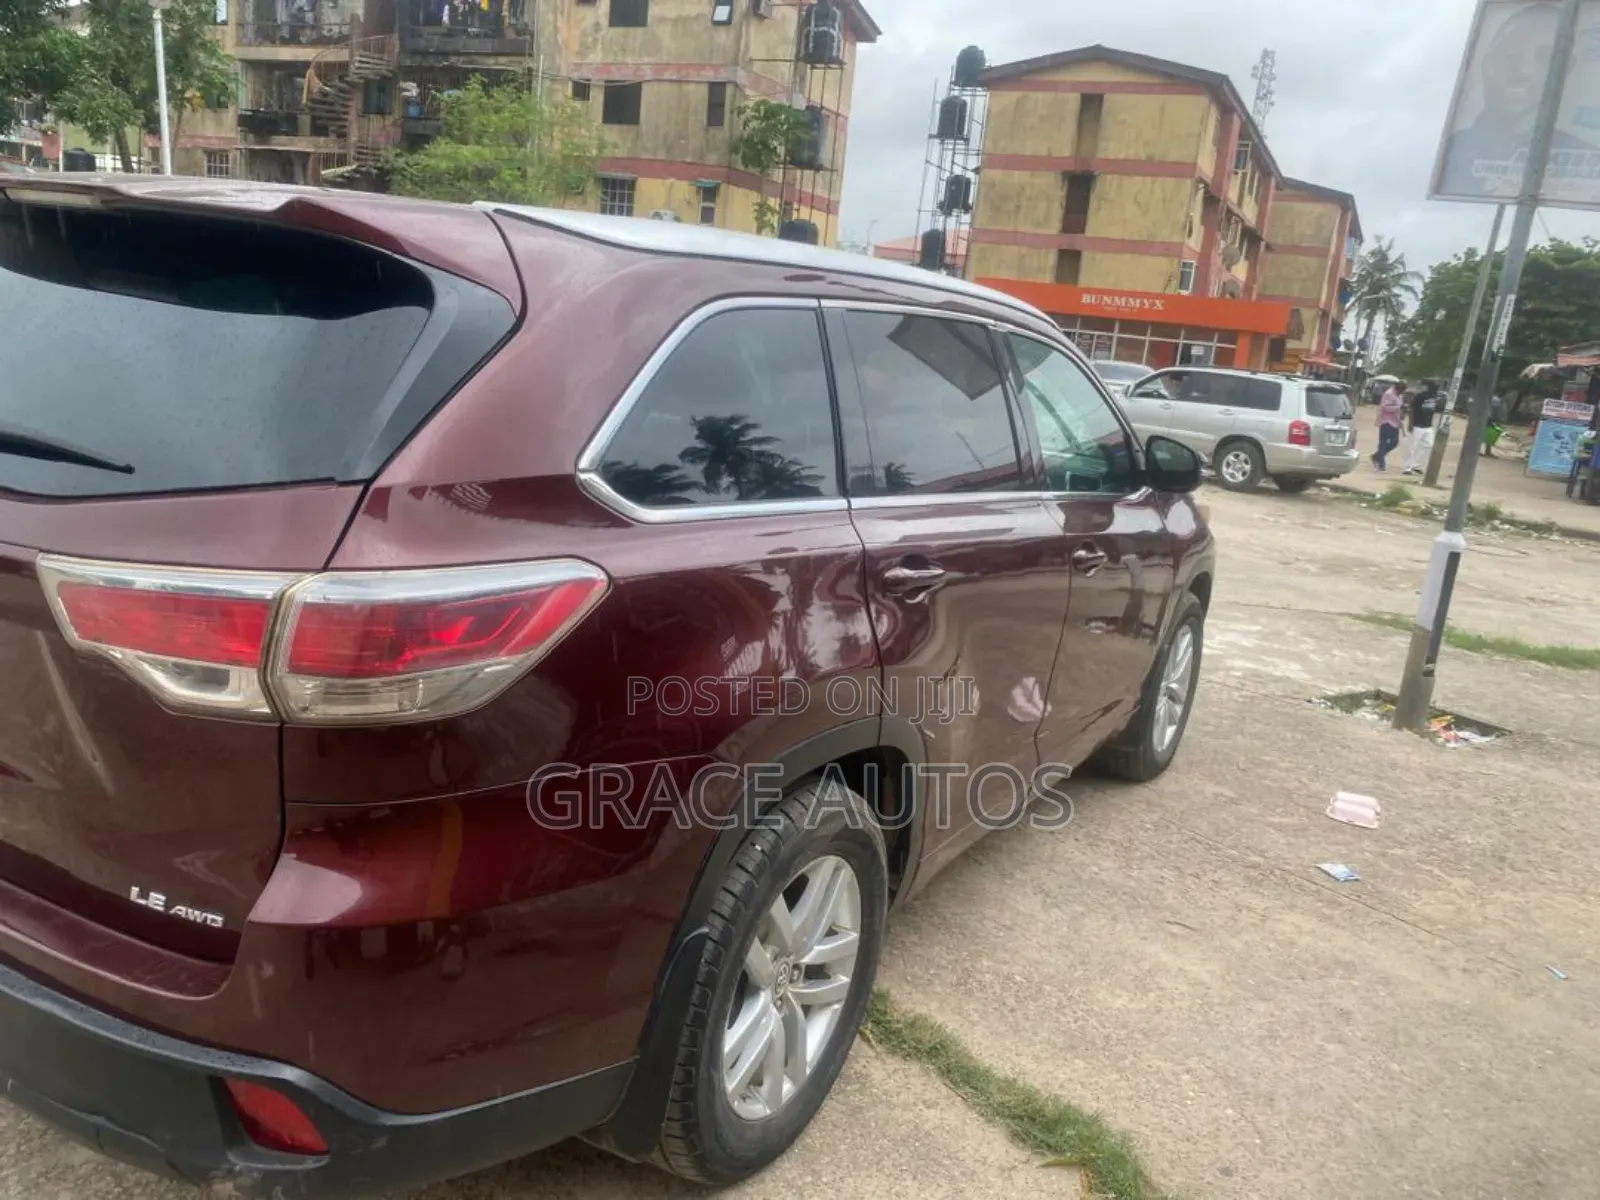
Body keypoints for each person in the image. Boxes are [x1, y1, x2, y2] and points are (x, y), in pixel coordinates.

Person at [1439, 3, 1598, 199]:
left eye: (1544, 57)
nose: (1524, 70)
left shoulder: (1587, 158)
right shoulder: (1452, 157)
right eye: (1511, 55)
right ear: (1487, 65)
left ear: (1567, 70)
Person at [1402, 381, 1440, 475]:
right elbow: (1412, 409)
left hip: (1428, 425)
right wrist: (1410, 423)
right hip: (1418, 424)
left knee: (1428, 444)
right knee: (1413, 446)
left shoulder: (1434, 397)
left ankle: (1416, 465)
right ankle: (1407, 468)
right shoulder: (1421, 396)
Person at [1372, 380, 1406, 471]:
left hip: (1395, 422)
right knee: (1383, 443)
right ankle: (1381, 465)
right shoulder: (1389, 394)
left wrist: (1402, 413)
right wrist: (1398, 408)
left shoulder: (1399, 395)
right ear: (1397, 387)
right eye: (1401, 390)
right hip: (1386, 421)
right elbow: (1384, 407)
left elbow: (1400, 407)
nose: (1401, 392)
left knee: (1394, 443)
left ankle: (1377, 456)